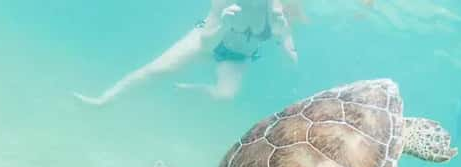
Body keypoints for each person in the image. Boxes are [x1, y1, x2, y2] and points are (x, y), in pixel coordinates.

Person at [73, 0, 298, 105]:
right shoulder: (224, 2)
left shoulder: (278, 14)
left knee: (225, 96)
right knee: (156, 69)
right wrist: (224, 23)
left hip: (238, 57)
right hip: (208, 39)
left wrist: (281, 37)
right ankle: (104, 100)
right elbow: (206, 46)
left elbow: (291, 65)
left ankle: (189, 90)